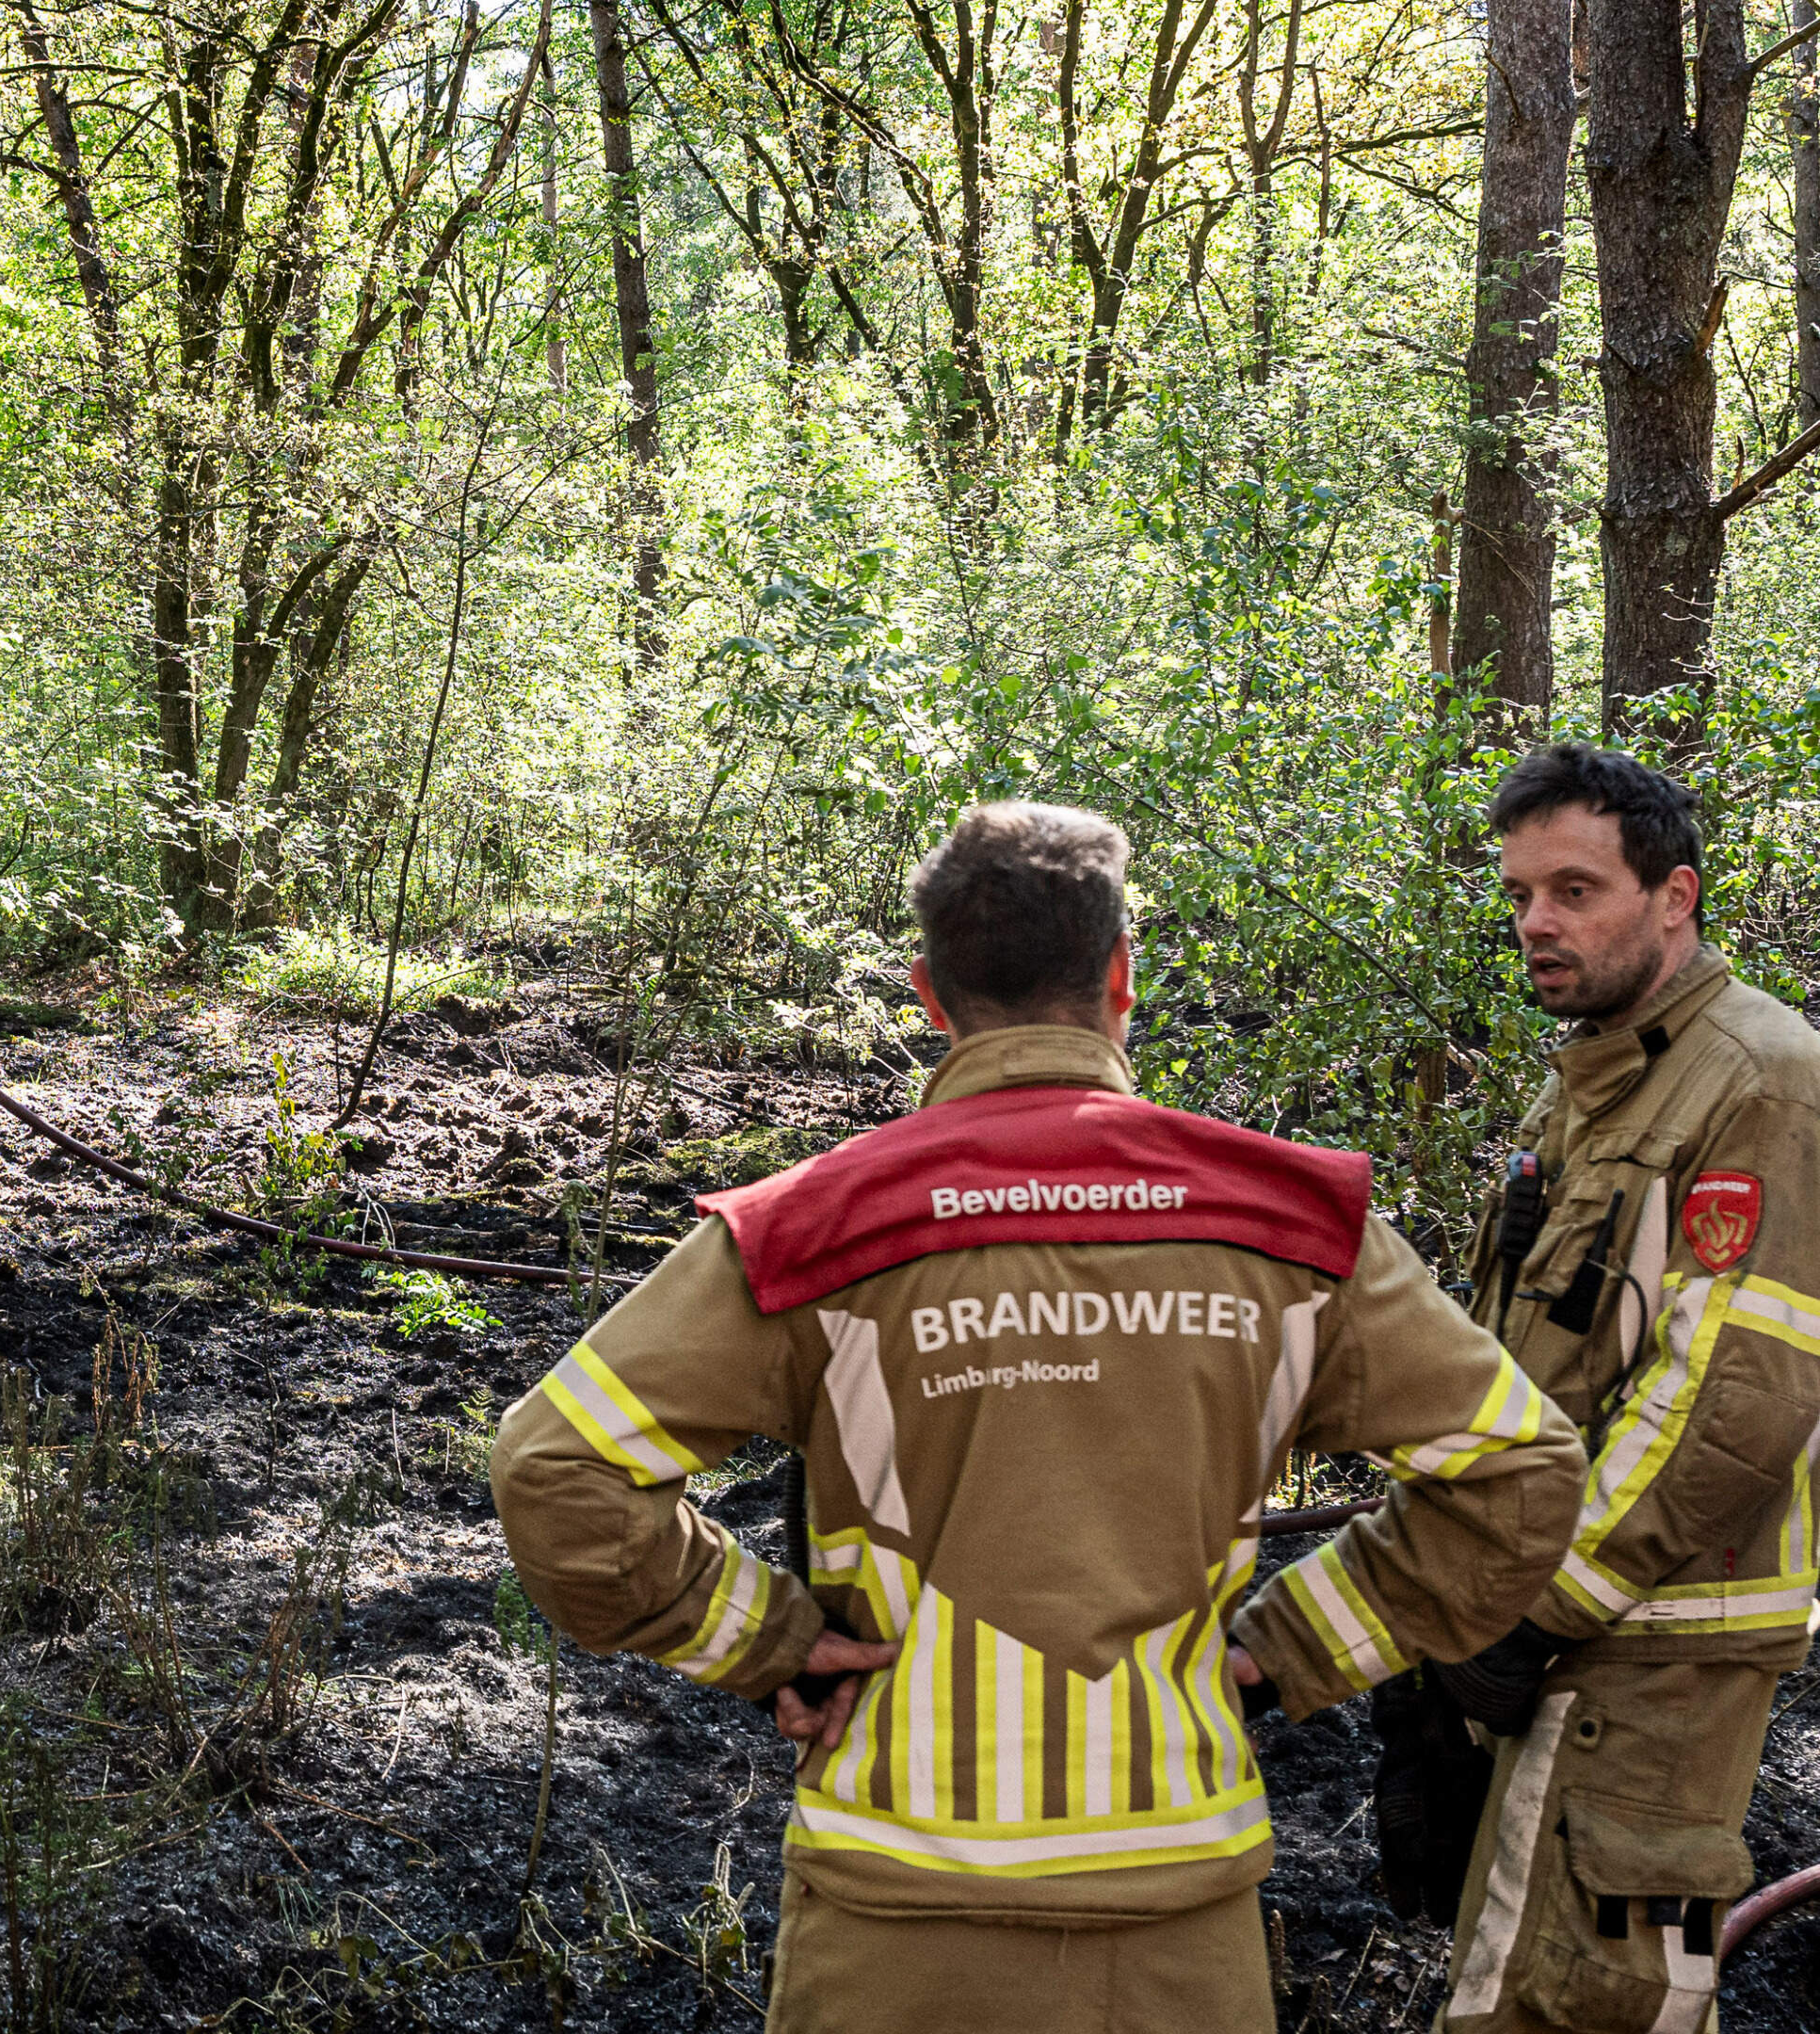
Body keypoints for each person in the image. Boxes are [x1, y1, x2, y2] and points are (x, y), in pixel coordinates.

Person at [489, 800, 1584, 2034]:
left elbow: (554, 1466)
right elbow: (1519, 1471)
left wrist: (763, 1643)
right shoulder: (1293, 1226)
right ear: (1121, 975)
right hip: (1178, 1925)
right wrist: (1285, 1654)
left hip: (889, 1920)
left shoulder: (813, 1226)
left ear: (926, 993)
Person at [1420, 745, 1820, 2032]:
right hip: (1572, 1635)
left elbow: (1728, 1398)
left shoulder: (1760, 1081)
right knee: (1514, 1986)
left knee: (1588, 2005)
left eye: (1574, 890)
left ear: (1673, 897)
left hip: (1655, 1648)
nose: (1535, 922)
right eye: (1519, 894)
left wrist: (1532, 1609)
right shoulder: (1597, 1072)